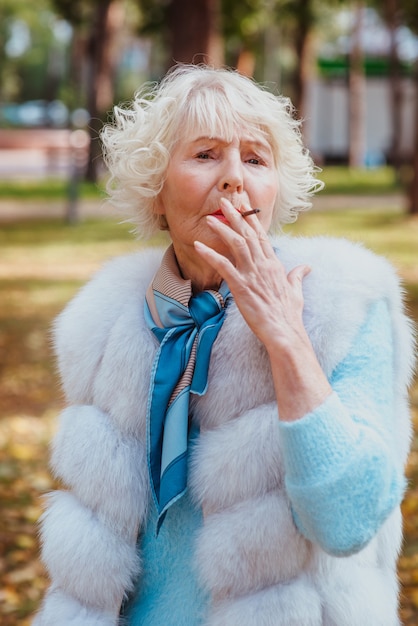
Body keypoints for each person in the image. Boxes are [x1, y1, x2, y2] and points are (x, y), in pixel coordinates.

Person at [33, 64, 415, 626]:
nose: (235, 177)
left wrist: (286, 339)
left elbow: (348, 521)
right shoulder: (105, 324)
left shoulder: (342, 304)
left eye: (256, 159)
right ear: (156, 190)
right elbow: (93, 557)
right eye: (206, 154)